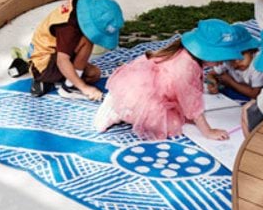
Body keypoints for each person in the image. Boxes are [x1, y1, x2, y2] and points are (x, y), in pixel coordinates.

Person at [92, 18, 247, 140]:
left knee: (182, 116)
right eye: (220, 57)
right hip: (141, 96)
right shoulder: (186, 68)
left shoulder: (188, 55)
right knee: (171, 125)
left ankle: (120, 104)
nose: (223, 62)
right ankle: (120, 110)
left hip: (146, 87)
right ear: (207, 52)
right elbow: (191, 103)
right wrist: (208, 131)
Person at [27, 0, 123, 102]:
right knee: (87, 41)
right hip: (43, 65)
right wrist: (85, 88)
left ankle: (68, 81)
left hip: (55, 54)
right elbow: (62, 61)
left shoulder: (83, 8)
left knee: (93, 74)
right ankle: (69, 88)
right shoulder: (69, 28)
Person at [204, 22, 261, 98]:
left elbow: (255, 94)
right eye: (232, 58)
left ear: (252, 51)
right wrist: (211, 82)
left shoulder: (258, 64)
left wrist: (230, 82)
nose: (237, 61)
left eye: (242, 54)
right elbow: (210, 74)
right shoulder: (227, 60)